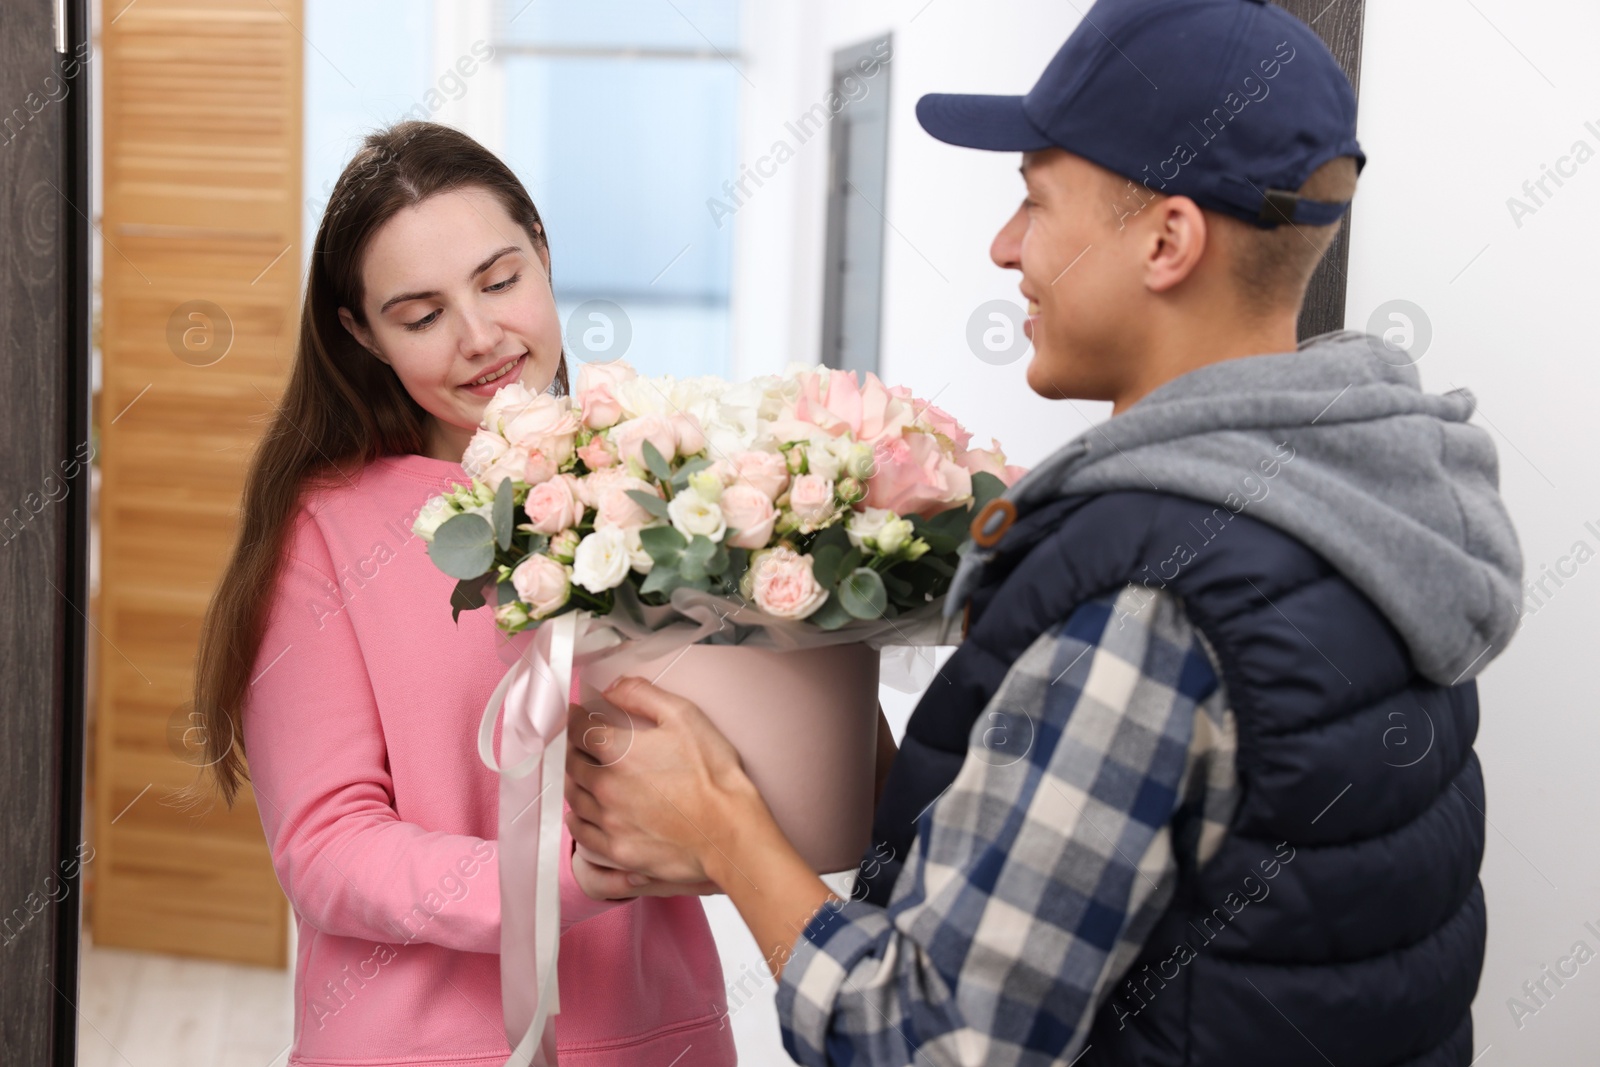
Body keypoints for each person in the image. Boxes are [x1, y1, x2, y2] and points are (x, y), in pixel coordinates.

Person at [562, 0, 1525, 1064]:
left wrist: (726, 831)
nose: (1004, 245)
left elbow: (935, 1038)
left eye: (1035, 200)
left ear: (1167, 240)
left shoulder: (1150, 593)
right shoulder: (1366, 502)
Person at [190, 120, 740, 1067]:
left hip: (656, 1034)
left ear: (543, 251)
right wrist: (563, 878)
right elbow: (327, 846)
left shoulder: (658, 482)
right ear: (361, 333)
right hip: (418, 1045)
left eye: (499, 280)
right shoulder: (326, 530)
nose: (482, 337)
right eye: (421, 314)